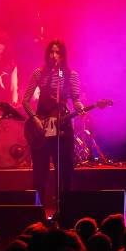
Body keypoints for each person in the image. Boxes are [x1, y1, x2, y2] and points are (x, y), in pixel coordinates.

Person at [22, 39, 83, 205]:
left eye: (57, 52)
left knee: (65, 170)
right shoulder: (39, 73)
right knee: (40, 172)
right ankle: (38, 210)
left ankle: (64, 209)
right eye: (51, 52)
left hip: (62, 125)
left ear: (63, 56)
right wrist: (34, 119)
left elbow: (76, 99)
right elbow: (25, 100)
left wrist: (79, 106)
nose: (54, 55)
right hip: (42, 125)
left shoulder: (70, 75)